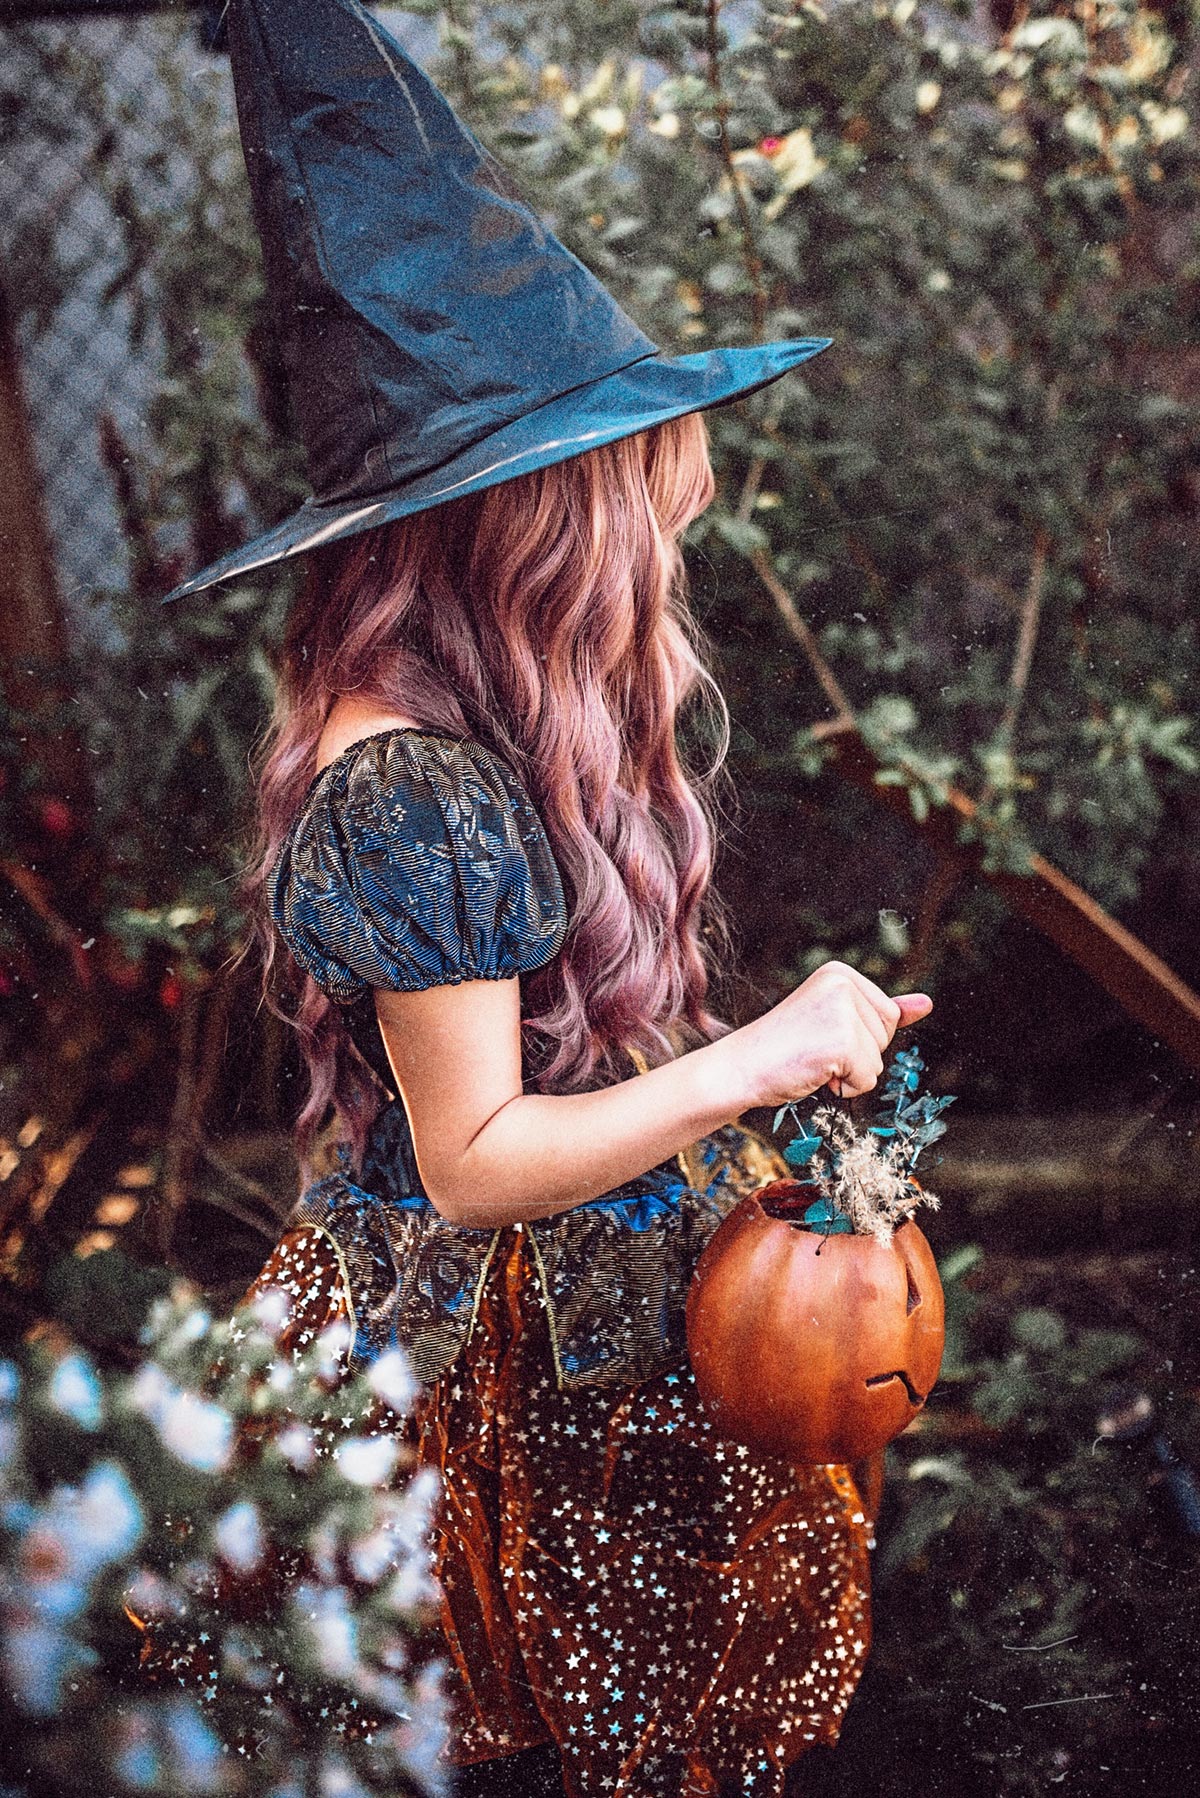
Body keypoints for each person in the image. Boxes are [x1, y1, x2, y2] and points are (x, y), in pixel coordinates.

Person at [158, 5, 935, 1791]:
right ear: (530, 517)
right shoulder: (407, 785)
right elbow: (476, 1157)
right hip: (497, 1364)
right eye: (631, 492)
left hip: (580, 1303)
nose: (658, 547)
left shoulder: (450, 728)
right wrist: (757, 1059)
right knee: (539, 1715)